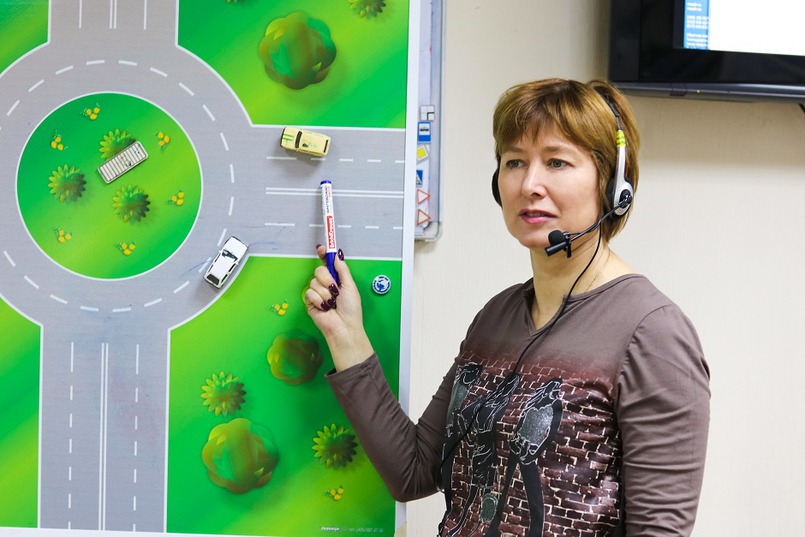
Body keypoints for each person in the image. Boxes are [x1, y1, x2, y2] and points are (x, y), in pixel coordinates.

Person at [305, 78, 710, 536]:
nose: (530, 184)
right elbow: (412, 471)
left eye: (557, 162)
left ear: (613, 184)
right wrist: (346, 335)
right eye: (515, 161)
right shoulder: (497, 317)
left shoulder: (652, 332)